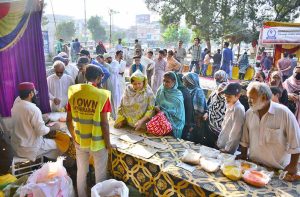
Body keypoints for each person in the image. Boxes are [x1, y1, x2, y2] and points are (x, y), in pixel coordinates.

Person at [67, 65, 114, 197]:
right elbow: (105, 124)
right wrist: (108, 143)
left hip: (80, 140)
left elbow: (68, 120)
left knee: (81, 172)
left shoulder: (74, 93)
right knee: (100, 174)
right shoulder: (102, 95)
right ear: (99, 78)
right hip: (98, 142)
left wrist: (74, 136)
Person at [239, 82, 300, 176]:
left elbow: (296, 142)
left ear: (263, 97)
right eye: (248, 97)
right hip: (253, 166)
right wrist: (243, 154)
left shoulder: (283, 113)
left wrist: (293, 165)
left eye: (252, 98)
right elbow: (244, 139)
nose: (249, 101)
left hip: (277, 170)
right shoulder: (249, 113)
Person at [11, 82, 60, 161]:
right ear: (31, 94)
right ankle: (56, 167)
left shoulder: (15, 106)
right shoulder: (33, 109)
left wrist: (41, 118)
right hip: (29, 149)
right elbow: (41, 131)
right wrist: (54, 127)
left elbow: (25, 122)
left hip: (16, 147)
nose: (35, 95)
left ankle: (41, 164)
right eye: (34, 92)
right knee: (61, 144)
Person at [217, 83, 245, 154]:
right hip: (221, 144)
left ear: (238, 96)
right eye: (225, 96)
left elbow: (236, 133)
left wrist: (228, 149)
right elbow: (225, 126)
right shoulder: (229, 105)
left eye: (229, 96)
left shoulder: (238, 109)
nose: (226, 99)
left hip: (227, 150)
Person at [155, 72, 185, 138]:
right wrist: (157, 108)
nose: (165, 83)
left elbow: (178, 112)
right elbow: (156, 103)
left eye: (168, 81)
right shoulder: (160, 91)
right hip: (159, 123)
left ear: (174, 82)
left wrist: (163, 112)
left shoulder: (178, 95)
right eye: (164, 81)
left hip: (173, 124)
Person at [182, 73, 208, 144]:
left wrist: (193, 124)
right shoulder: (186, 90)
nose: (184, 83)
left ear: (191, 81)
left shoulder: (198, 92)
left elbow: (199, 110)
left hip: (195, 121)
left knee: (192, 141)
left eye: (186, 81)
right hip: (186, 117)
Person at [206, 71, 228, 147]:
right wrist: (207, 112)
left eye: (220, 79)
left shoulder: (229, 96)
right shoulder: (215, 91)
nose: (217, 81)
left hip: (222, 130)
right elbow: (209, 104)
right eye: (216, 79)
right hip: (211, 126)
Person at [104, 53, 125, 120]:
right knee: (109, 99)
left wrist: (106, 64)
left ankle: (116, 115)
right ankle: (111, 114)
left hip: (114, 84)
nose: (108, 59)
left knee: (115, 99)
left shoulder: (115, 63)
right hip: (108, 83)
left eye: (109, 58)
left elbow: (114, 71)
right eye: (107, 59)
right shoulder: (106, 64)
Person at [175, 73, 194, 140]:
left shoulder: (182, 92)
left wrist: (188, 123)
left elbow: (188, 109)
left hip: (182, 122)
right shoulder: (177, 90)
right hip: (182, 121)